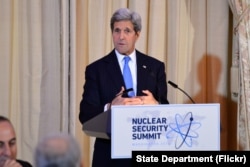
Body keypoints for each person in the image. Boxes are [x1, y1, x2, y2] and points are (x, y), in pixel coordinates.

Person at [79, 8, 169, 167]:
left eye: (127, 31)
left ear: (137, 34)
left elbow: (167, 111)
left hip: (147, 152)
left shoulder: (155, 68)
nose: (121, 36)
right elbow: (85, 114)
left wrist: (156, 105)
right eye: (117, 30)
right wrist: (110, 106)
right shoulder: (96, 70)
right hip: (109, 155)